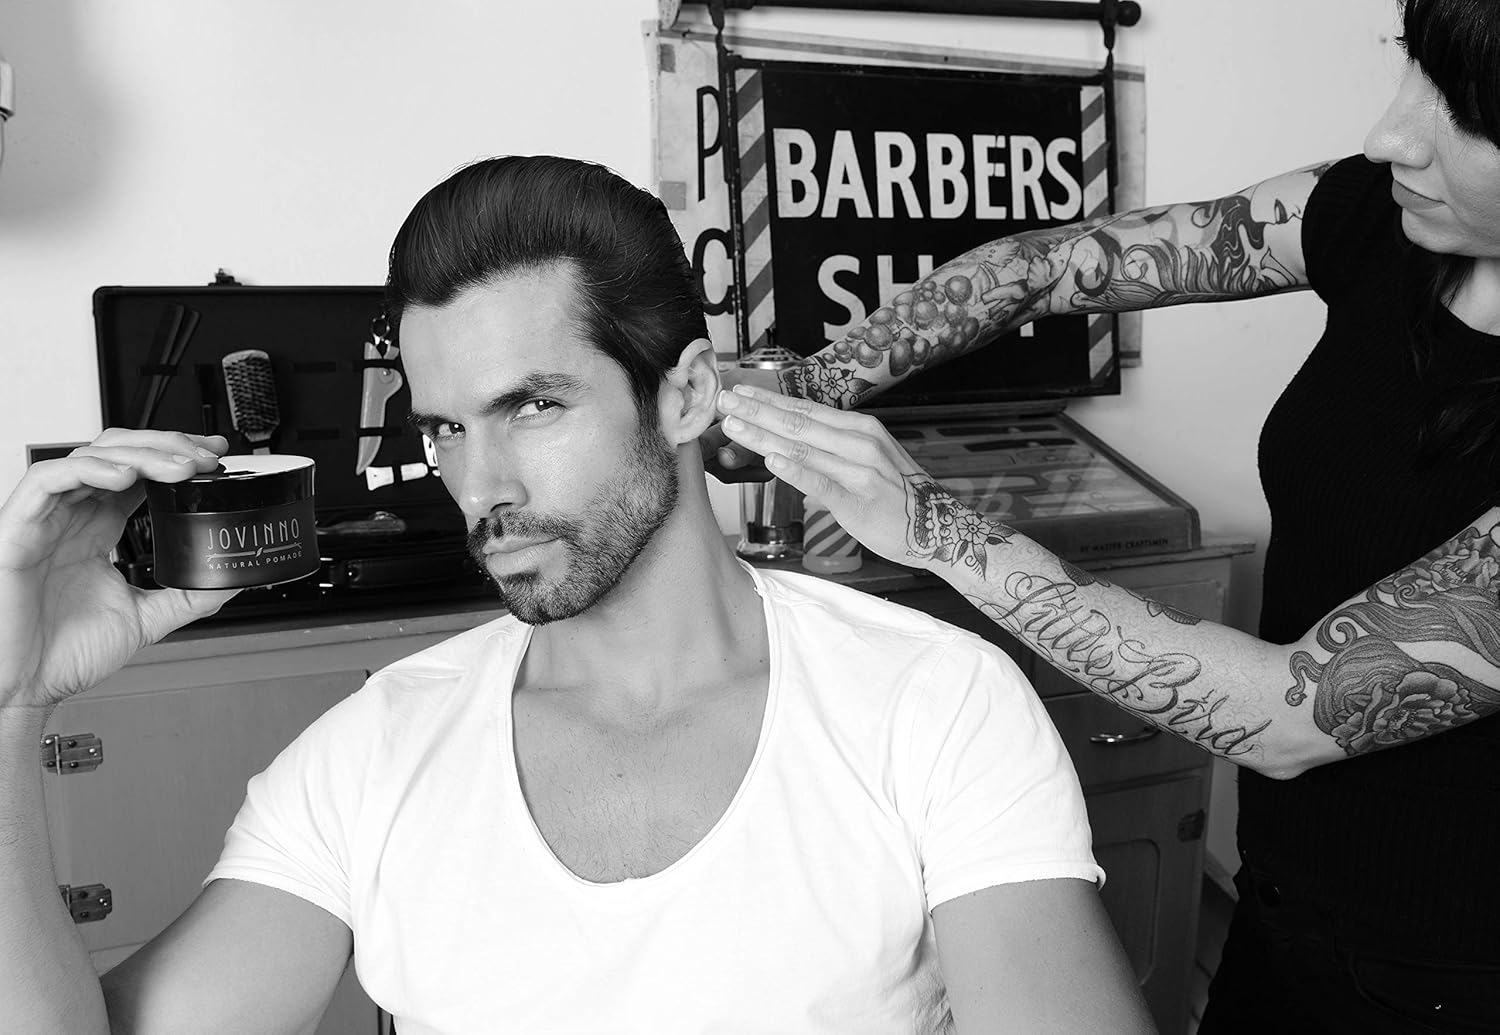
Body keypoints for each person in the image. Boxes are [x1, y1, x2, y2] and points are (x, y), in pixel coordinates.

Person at [0, 155, 1153, 1033]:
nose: (483, 487)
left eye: (534, 407)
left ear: (685, 395)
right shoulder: (373, 753)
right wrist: (10, 706)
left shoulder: (931, 706)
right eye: (446, 430)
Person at [711, 0, 1500, 1030]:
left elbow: (1286, 713)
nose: (1390, 134)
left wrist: (933, 527)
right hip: (1284, 900)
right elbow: (1041, 266)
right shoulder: (1380, 212)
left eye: (1468, 114)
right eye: (1410, 67)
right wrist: (819, 384)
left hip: (1447, 974)